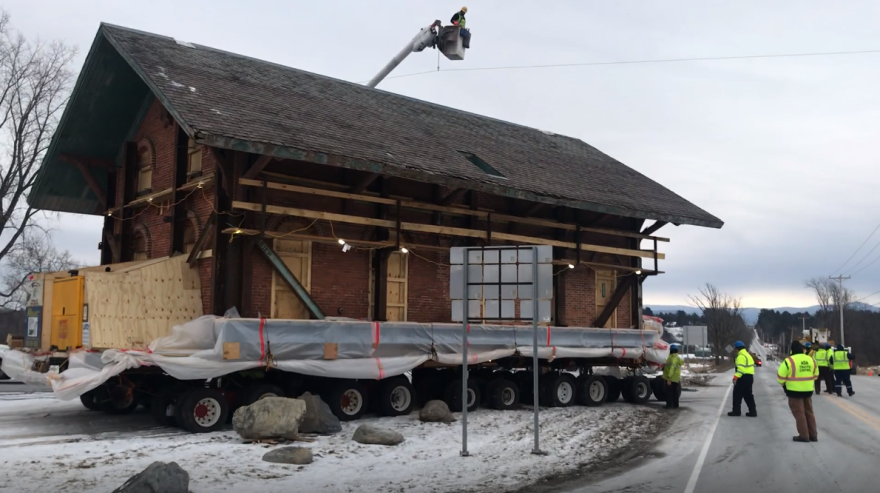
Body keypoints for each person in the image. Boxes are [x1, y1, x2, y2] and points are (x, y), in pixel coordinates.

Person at [777, 340, 819, 442]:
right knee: (809, 412)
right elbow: (816, 375)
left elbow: (780, 377)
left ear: (792, 350)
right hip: (808, 390)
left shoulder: (789, 361)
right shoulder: (810, 360)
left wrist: (784, 385)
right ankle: (813, 435)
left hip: (794, 391)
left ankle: (804, 435)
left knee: (799, 413)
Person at [728, 341, 757, 417]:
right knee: (748, 395)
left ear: (737, 349)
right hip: (750, 377)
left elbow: (740, 370)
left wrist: (735, 378)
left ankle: (736, 411)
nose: (735, 350)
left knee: (737, 394)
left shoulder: (740, 357)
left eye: (735, 349)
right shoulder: (748, 355)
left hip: (742, 378)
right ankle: (753, 411)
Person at [663, 344, 683, 409]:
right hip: (675, 378)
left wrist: (669, 378)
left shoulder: (673, 358)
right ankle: (675, 405)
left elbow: (672, 368)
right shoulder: (676, 358)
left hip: (671, 378)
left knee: (669, 392)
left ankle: (669, 405)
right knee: (674, 392)